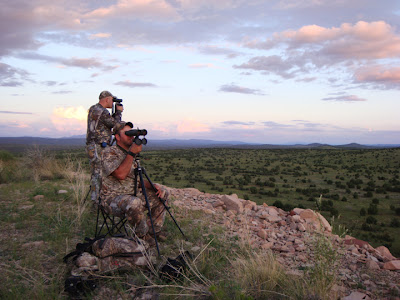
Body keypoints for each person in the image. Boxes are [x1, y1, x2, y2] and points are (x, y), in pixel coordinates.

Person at [100, 122, 169, 241]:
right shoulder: (109, 153)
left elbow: (136, 180)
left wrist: (153, 186)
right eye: (127, 134)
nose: (131, 137)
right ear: (117, 137)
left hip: (132, 195)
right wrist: (132, 153)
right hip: (111, 199)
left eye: (132, 133)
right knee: (134, 203)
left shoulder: (131, 155)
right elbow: (120, 175)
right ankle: (142, 236)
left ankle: (154, 231)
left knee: (163, 193)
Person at [86, 90, 124, 201]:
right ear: (107, 99)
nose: (112, 103)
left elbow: (105, 123)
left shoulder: (93, 109)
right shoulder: (102, 111)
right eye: (112, 100)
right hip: (99, 146)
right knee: (100, 174)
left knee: (95, 173)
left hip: (92, 146)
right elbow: (115, 125)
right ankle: (98, 202)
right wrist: (118, 113)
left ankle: (95, 200)